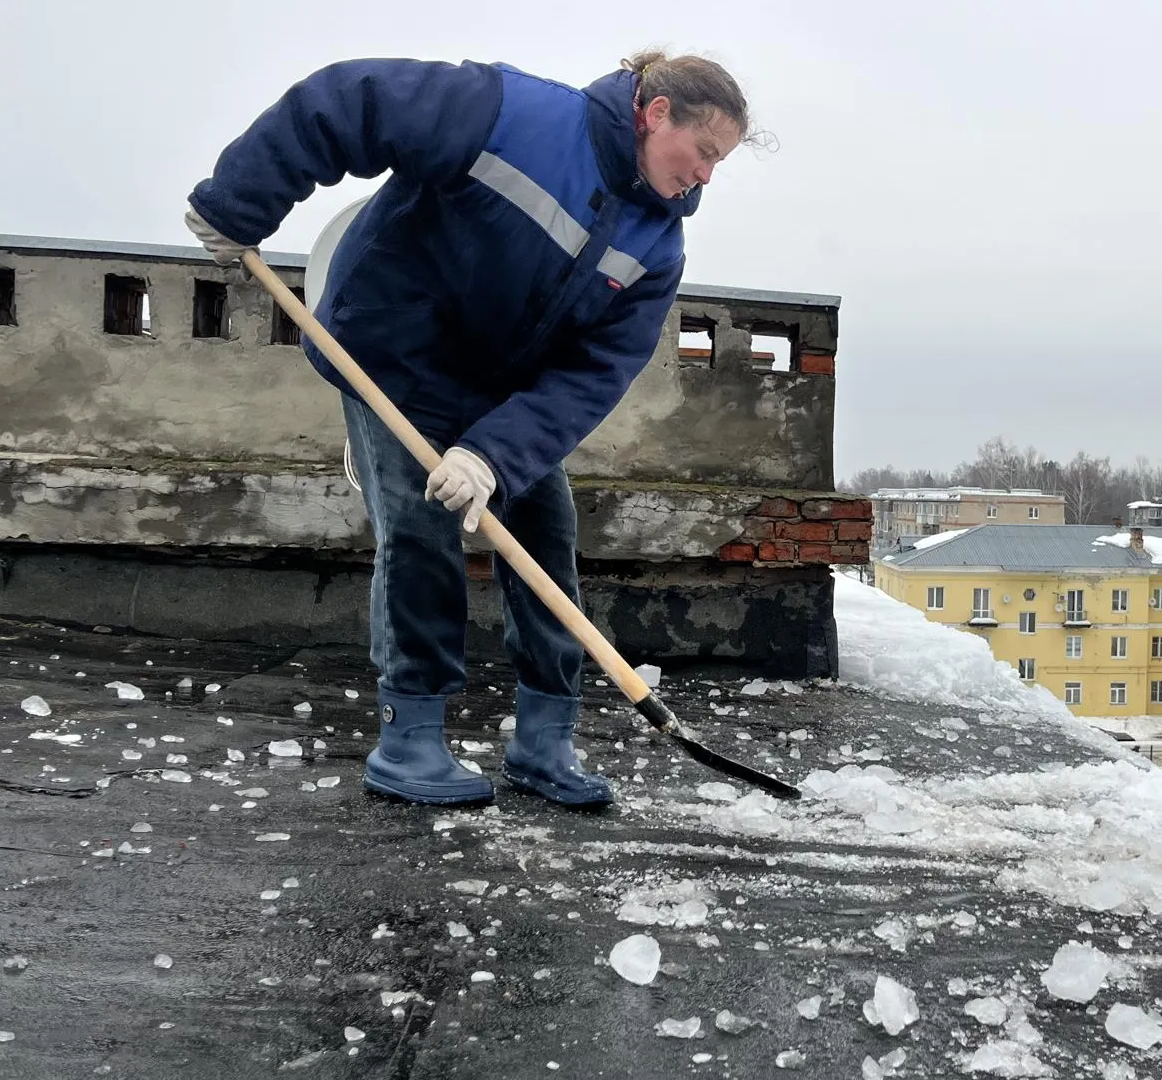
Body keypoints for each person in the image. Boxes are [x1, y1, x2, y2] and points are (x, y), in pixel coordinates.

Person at [183, 51, 752, 808]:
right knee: (420, 532)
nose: (707, 176)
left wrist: (493, 454)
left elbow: (595, 374)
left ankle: (544, 739)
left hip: (503, 395)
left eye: (722, 163)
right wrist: (239, 203)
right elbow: (351, 100)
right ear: (655, 114)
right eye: (705, 151)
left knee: (546, 539)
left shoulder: (658, 244)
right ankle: (408, 737)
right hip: (393, 356)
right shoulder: (511, 112)